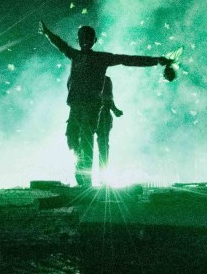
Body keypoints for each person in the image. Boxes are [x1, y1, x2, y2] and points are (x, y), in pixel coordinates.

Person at [40, 20, 171, 187]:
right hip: (75, 105)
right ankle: (82, 173)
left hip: (90, 105)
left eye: (88, 37)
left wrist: (155, 60)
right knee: (72, 140)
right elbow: (60, 44)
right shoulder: (75, 55)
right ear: (78, 40)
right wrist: (47, 33)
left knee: (86, 141)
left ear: (94, 40)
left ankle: (85, 181)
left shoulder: (101, 58)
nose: (85, 40)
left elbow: (127, 59)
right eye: (82, 37)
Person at [94, 76, 124, 173]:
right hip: (103, 117)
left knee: (84, 144)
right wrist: (115, 110)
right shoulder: (105, 79)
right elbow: (108, 100)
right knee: (103, 147)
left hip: (94, 116)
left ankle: (83, 178)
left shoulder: (84, 76)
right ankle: (102, 175)